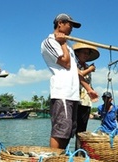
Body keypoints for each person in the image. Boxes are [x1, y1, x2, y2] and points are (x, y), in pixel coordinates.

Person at [41, 13, 82, 149]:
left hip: (73, 93)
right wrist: (63, 42)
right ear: (60, 23)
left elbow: (75, 70)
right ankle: (53, 161)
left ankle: (60, 160)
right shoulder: (50, 41)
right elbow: (66, 63)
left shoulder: (68, 44)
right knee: (60, 130)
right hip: (62, 92)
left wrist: (88, 89)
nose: (71, 28)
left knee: (69, 130)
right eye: (70, 24)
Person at [73, 42, 99, 149]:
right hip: (75, 99)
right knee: (72, 128)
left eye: (88, 53)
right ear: (77, 53)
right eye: (84, 52)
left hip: (86, 101)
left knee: (82, 130)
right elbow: (78, 75)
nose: (86, 55)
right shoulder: (74, 64)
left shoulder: (87, 66)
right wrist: (90, 70)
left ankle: (79, 152)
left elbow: (88, 83)